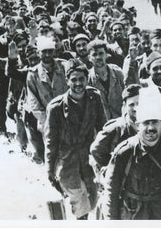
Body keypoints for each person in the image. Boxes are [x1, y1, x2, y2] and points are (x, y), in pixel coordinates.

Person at [101, 85, 161, 219]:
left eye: (155, 122)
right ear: (137, 126)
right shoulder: (124, 151)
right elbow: (111, 192)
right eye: (146, 123)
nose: (150, 128)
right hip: (135, 214)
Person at [44, 62, 107, 219]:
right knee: (79, 201)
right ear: (67, 80)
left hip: (88, 158)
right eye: (74, 79)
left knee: (92, 198)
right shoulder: (55, 107)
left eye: (81, 79)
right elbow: (51, 140)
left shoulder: (94, 98)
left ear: (87, 79)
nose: (78, 83)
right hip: (67, 161)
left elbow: (103, 129)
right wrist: (50, 169)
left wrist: (104, 157)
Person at [25, 36, 68, 163]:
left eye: (50, 51)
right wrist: (47, 120)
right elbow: (34, 103)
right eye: (44, 52)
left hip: (69, 116)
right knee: (52, 153)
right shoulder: (33, 75)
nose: (48, 55)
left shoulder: (64, 66)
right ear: (39, 53)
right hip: (47, 120)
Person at [90, 84, 140, 174]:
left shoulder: (150, 124)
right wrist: (112, 166)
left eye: (140, 103)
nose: (136, 108)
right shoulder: (115, 128)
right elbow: (96, 150)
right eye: (131, 104)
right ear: (124, 106)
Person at [88, 39, 125, 120]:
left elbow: (126, 96)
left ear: (106, 55)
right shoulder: (88, 79)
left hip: (120, 120)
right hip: (101, 124)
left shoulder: (117, 73)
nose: (98, 57)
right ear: (89, 58)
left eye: (101, 53)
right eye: (94, 54)